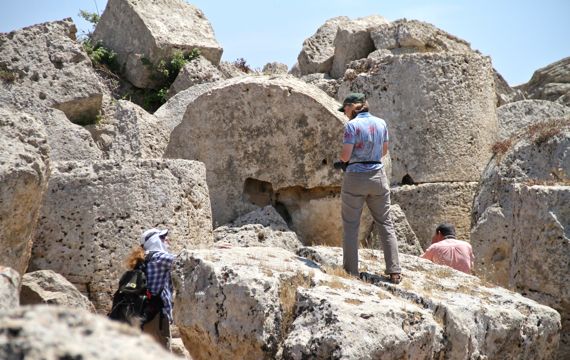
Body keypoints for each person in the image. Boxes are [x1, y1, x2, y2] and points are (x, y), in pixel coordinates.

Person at [336, 92, 402, 284]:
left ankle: (351, 271)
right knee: (385, 223)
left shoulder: (352, 126)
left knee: (351, 225)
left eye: (345, 109)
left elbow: (346, 155)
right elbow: (384, 151)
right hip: (378, 177)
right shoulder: (381, 123)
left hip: (355, 177)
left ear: (351, 107)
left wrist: (342, 162)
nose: (345, 113)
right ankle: (394, 271)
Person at [125, 228, 175, 349]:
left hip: (141, 314)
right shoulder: (160, 258)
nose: (166, 239)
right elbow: (187, 261)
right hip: (156, 317)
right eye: (162, 237)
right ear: (154, 241)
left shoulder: (142, 258)